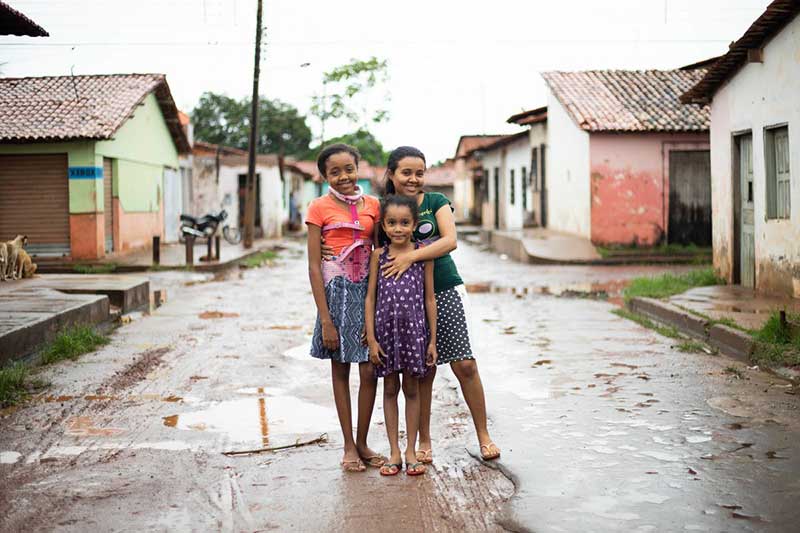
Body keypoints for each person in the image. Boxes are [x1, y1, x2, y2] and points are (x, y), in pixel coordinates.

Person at [381, 146, 501, 463]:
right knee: (423, 373)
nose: (413, 178)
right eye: (406, 172)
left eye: (419, 172)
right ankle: (424, 441)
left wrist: (412, 256)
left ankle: (484, 436)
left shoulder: (435, 202)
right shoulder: (384, 210)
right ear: (391, 173)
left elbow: (450, 240)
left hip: (445, 289)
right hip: (405, 300)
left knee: (464, 364)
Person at [306, 143, 386, 472]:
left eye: (348, 169)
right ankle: (349, 446)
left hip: (368, 293)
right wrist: (325, 319)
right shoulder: (318, 208)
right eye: (334, 172)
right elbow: (313, 266)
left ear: (359, 168)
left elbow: (385, 246)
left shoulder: (374, 206)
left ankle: (364, 441)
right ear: (325, 175)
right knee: (340, 369)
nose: (343, 177)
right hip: (335, 294)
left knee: (369, 369)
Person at [365, 195, 437, 476]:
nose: (398, 229)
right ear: (383, 225)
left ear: (414, 224)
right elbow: (371, 297)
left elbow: (429, 298)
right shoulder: (378, 256)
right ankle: (394, 451)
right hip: (385, 333)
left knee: (412, 390)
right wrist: (371, 338)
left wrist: (431, 340)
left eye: (405, 223)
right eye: (392, 223)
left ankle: (411, 450)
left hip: (414, 334)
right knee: (390, 389)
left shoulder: (423, 254)